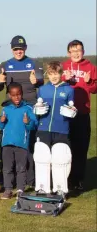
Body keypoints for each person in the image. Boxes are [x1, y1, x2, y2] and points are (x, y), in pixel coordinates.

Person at [0, 35, 44, 190]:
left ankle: (29, 179)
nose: (18, 51)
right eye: (16, 49)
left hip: (29, 107)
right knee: (8, 145)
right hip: (10, 109)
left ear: (25, 48)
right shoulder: (4, 65)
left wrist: (37, 81)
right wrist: (0, 80)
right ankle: (9, 180)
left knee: (28, 144)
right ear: (12, 49)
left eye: (21, 48)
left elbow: (41, 81)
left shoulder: (34, 63)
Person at [33, 61, 75, 196]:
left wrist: (72, 110)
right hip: (43, 128)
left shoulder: (69, 90)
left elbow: (72, 108)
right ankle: (42, 187)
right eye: (51, 74)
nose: (54, 77)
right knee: (42, 157)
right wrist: (37, 110)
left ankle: (60, 188)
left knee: (60, 158)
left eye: (56, 73)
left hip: (61, 128)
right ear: (48, 75)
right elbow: (38, 107)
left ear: (61, 74)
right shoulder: (43, 89)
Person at [61, 40, 97, 192]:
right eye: (73, 51)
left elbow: (95, 89)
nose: (76, 53)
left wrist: (89, 82)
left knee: (81, 148)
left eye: (79, 50)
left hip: (82, 113)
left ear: (83, 52)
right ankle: (64, 178)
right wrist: (66, 79)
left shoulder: (90, 67)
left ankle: (78, 179)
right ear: (69, 53)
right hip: (66, 114)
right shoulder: (64, 66)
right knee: (66, 147)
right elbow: (57, 83)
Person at [0, 82, 38, 199]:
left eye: (19, 94)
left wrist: (28, 123)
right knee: (7, 168)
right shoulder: (5, 109)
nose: (16, 97)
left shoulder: (28, 108)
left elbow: (33, 126)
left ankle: (20, 189)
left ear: (22, 94)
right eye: (14, 95)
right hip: (7, 144)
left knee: (21, 168)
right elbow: (1, 126)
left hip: (22, 144)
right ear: (10, 95)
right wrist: (2, 121)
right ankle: (8, 189)